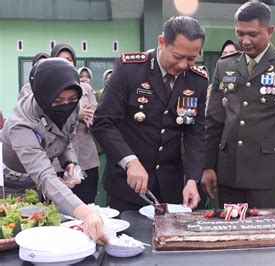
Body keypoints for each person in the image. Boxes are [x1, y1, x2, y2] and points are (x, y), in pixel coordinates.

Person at [202, 1, 275, 208]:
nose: (245, 41)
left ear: (269, 31)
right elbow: (213, 121)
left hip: (269, 177)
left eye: (252, 34)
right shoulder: (224, 65)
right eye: (240, 33)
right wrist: (207, 166)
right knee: (231, 235)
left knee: (268, 237)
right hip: (229, 173)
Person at [93, 16, 208, 212]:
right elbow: (104, 123)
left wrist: (192, 179)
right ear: (161, 42)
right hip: (127, 186)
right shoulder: (130, 70)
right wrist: (130, 161)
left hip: (170, 188)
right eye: (178, 56)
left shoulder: (197, 81)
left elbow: (195, 134)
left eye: (192, 58)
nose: (183, 65)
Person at [0, 58, 106, 243]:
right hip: (11, 186)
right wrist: (87, 214)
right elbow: (44, 176)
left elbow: (67, 137)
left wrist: (69, 162)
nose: (66, 105)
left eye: (72, 99)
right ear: (43, 96)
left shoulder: (72, 105)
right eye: (58, 101)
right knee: (18, 234)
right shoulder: (21, 124)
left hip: (39, 183)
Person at [50, 44, 100, 204]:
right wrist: (76, 115)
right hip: (59, 159)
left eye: (70, 60)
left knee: (87, 202)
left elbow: (95, 115)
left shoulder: (85, 88)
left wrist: (91, 118)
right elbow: (48, 120)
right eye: (61, 59)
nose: (67, 63)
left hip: (86, 157)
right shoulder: (48, 89)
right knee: (60, 206)